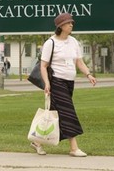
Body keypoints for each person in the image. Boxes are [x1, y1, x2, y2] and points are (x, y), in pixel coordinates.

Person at [30, 13, 97, 157]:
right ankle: (74, 148)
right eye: (68, 23)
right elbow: (43, 66)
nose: (71, 25)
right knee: (68, 112)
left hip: (69, 83)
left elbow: (79, 61)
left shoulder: (73, 41)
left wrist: (88, 74)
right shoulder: (51, 43)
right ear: (61, 26)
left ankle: (37, 141)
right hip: (56, 81)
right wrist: (47, 84)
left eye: (72, 23)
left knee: (56, 114)